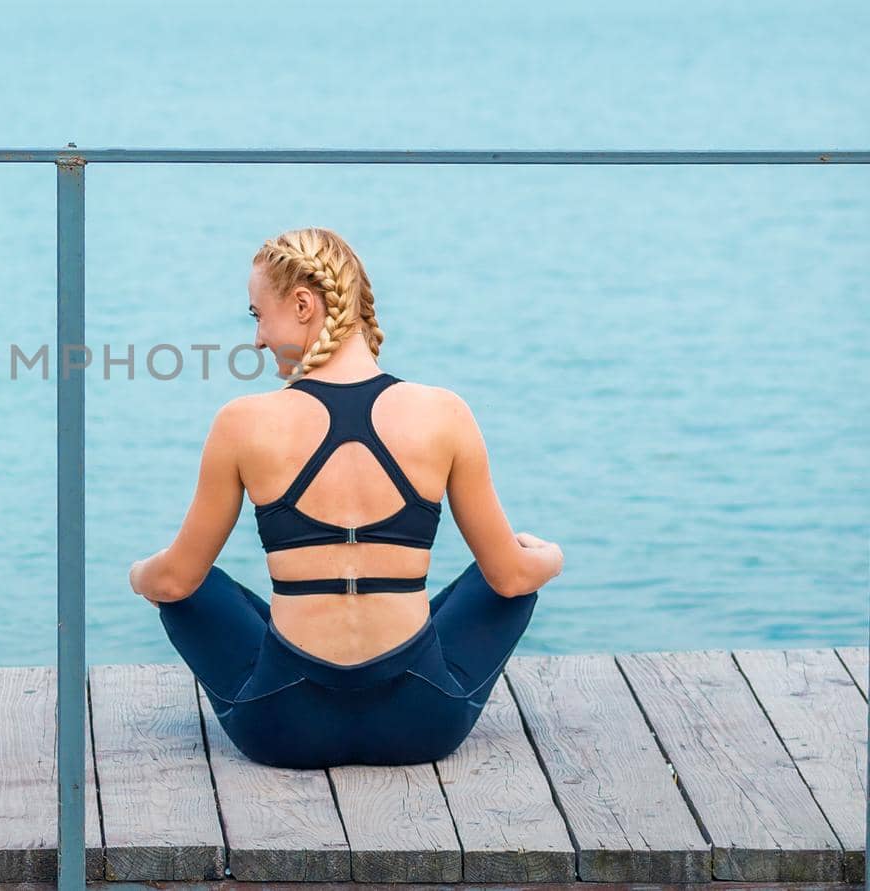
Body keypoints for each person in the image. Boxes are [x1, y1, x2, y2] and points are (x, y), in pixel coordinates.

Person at [128, 227, 563, 768]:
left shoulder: (242, 422)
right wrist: (551, 557)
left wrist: (140, 575)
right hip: (422, 722)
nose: (258, 339)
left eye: (257, 315)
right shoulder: (444, 412)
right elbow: (510, 580)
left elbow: (174, 583)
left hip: (283, 726)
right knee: (511, 569)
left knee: (190, 584)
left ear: (304, 304)